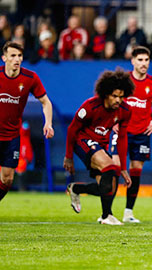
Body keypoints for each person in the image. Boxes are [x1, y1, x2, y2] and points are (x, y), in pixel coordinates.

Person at [64, 68, 134, 225]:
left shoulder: (125, 111)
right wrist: (68, 156)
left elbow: (122, 137)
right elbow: (72, 130)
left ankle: (77, 190)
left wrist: (123, 167)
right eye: (114, 96)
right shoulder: (90, 106)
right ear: (105, 93)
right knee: (110, 168)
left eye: (121, 97)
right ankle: (106, 216)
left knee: (110, 183)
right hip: (82, 141)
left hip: (100, 146)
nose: (118, 100)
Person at [110, 46, 152, 223]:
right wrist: (113, 120)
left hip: (141, 134)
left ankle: (128, 213)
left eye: (146, 60)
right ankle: (107, 212)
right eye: (140, 60)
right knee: (113, 169)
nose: (143, 64)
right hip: (121, 132)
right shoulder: (123, 81)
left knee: (136, 172)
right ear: (133, 61)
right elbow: (108, 99)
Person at [0, 41, 54, 202]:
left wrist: (48, 123)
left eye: (19, 56)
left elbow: (46, 102)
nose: (17, 59)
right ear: (4, 58)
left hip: (12, 136)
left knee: (8, 179)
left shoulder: (30, 78)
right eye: (13, 56)